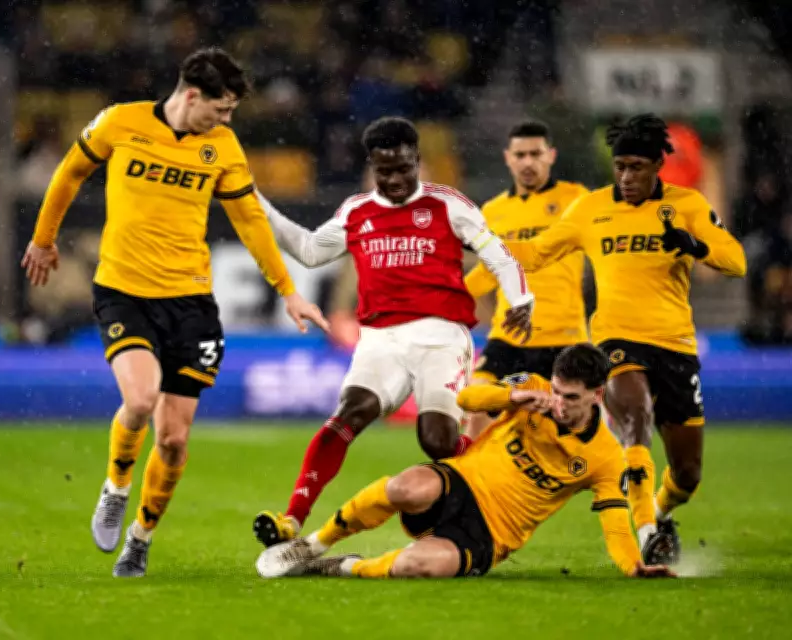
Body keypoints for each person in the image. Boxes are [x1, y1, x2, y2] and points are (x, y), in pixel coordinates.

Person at [21, 47, 328, 578]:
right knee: (140, 399)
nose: (226, 120)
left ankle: (140, 538)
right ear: (191, 95)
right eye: (221, 109)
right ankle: (116, 487)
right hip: (124, 292)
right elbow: (71, 173)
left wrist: (287, 289)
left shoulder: (222, 146)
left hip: (191, 303)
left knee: (173, 438)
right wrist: (44, 239)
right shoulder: (121, 122)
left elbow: (249, 219)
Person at [253, 116, 535, 547]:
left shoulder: (448, 204)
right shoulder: (357, 211)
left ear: (417, 161)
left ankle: (500, 472)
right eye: (385, 171)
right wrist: (257, 205)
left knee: (437, 441)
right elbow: (309, 251)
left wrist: (519, 298)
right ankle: (291, 518)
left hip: (441, 336)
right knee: (349, 413)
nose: (395, 180)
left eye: (404, 169)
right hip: (380, 338)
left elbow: (496, 253)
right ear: (372, 166)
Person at [495, 114, 747, 564]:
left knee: (687, 474)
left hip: (674, 344)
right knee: (635, 413)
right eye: (620, 167)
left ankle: (661, 513)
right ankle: (647, 533)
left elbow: (736, 262)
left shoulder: (687, 204)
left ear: (657, 167)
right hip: (616, 339)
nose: (627, 177)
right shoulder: (590, 209)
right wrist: (479, 242)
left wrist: (694, 246)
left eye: (637, 167)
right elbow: (536, 253)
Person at [255, 343, 675, 580]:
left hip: (492, 534)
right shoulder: (532, 388)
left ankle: (340, 566)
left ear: (597, 396)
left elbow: (615, 525)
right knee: (405, 487)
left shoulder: (605, 457)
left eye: (572, 398)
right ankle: (312, 544)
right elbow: (468, 398)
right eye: (557, 391)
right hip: (462, 479)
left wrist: (633, 567)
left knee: (418, 566)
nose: (559, 404)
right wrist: (512, 397)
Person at [464, 120, 589, 439]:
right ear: (508, 158)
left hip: (563, 336)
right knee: (476, 408)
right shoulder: (492, 211)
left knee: (578, 432)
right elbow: (488, 273)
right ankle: (468, 470)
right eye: (520, 155)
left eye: (536, 153)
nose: (528, 162)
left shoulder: (577, 200)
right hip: (509, 338)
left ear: (551, 155)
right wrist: (447, 299)